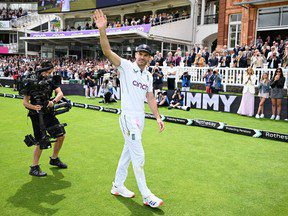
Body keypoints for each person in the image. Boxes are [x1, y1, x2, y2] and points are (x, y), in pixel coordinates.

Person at [93, 9, 165, 208]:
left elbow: (149, 96)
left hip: (140, 119)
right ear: (135, 55)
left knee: (127, 154)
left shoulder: (148, 76)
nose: (142, 57)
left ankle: (117, 185)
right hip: (127, 118)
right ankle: (146, 195)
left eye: (146, 55)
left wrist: (158, 117)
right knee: (139, 156)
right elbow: (107, 51)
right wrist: (102, 31)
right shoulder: (125, 65)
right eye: (140, 54)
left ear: (150, 58)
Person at [22, 61, 67, 177]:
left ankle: (54, 159)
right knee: (41, 141)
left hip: (49, 113)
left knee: (61, 135)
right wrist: (34, 107)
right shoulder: (31, 81)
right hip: (36, 116)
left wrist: (53, 101)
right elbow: (25, 102)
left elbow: (60, 93)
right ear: (41, 69)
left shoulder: (51, 80)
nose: (48, 74)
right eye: (47, 72)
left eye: (50, 72)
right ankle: (34, 167)